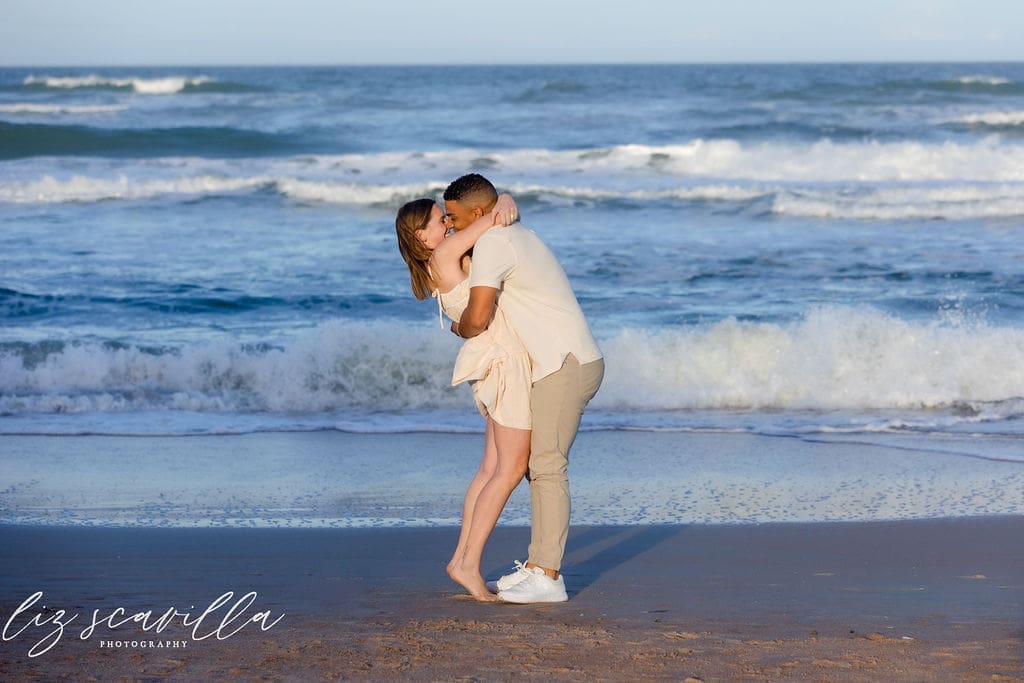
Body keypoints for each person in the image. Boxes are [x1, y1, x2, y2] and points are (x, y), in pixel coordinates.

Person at [444, 174, 604, 604]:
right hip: (563, 361)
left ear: (479, 214)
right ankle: (538, 566)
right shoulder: (510, 233)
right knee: (539, 464)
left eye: (455, 218)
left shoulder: (494, 244)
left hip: (564, 363)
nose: (452, 226)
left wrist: (458, 326)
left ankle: (548, 576)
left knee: (548, 465)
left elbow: (477, 318)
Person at [395, 192, 530, 602]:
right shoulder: (446, 254)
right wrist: (504, 197)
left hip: (490, 364)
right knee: (509, 469)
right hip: (502, 364)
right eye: (440, 221)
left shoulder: (438, 262)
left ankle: (460, 560)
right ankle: (469, 564)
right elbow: (490, 220)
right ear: (422, 236)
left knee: (491, 469)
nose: (448, 226)